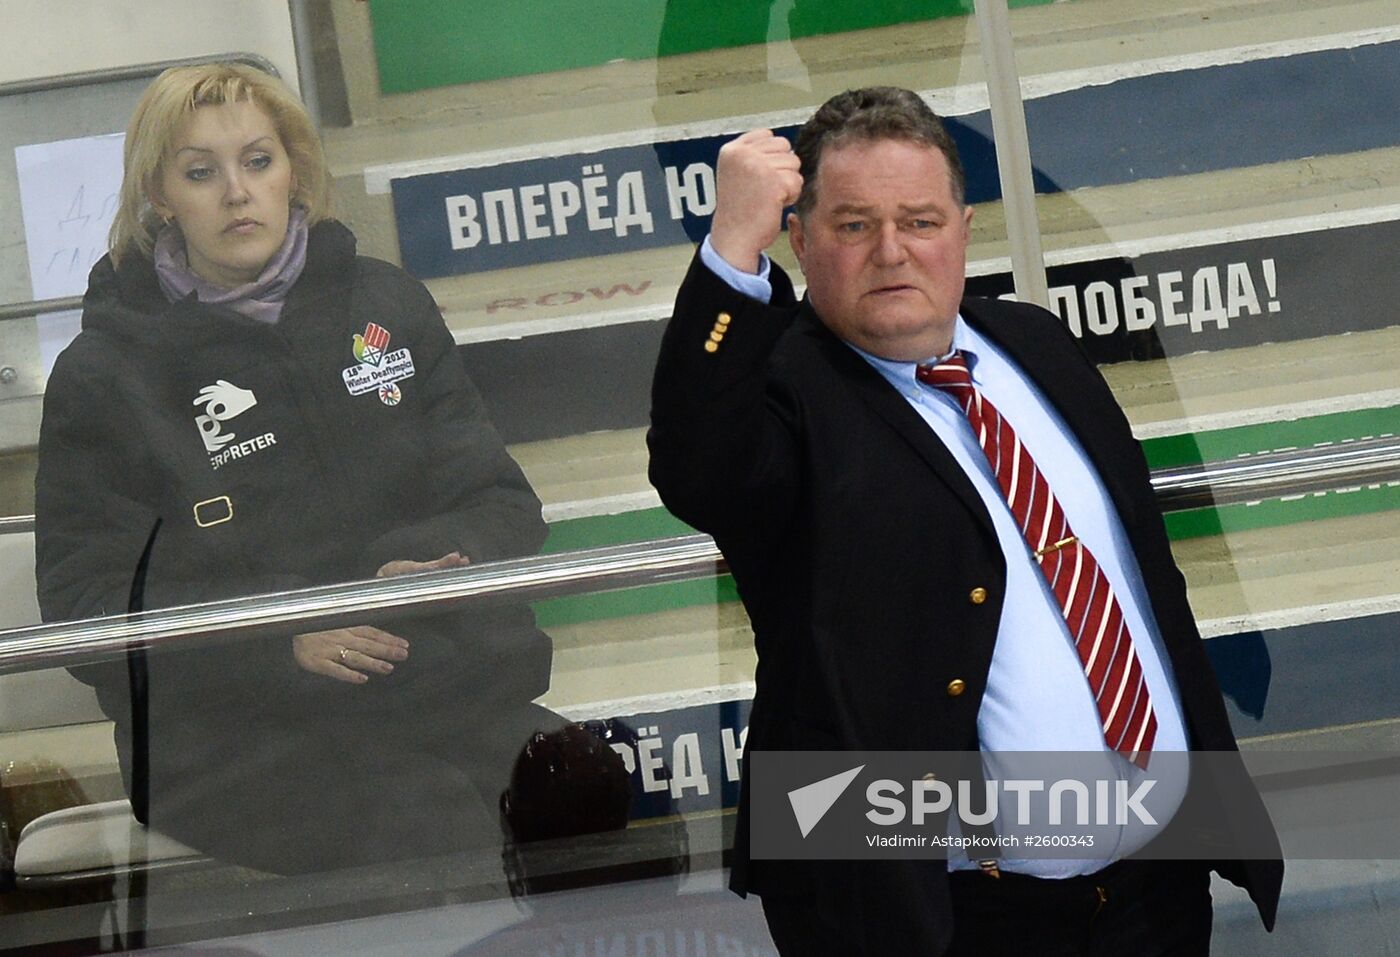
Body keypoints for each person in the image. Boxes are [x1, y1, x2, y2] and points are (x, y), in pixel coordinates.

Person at [647, 87, 1283, 955]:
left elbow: (1141, 580)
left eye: (919, 219)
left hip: (1155, 888)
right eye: (852, 226)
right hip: (945, 920)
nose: (892, 251)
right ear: (799, 240)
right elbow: (699, 468)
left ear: (964, 227)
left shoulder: (1038, 343)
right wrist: (730, 247)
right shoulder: (787, 397)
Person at [34, 63, 561, 875]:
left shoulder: (384, 304)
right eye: (200, 172)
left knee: (582, 783)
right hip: (227, 739)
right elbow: (86, 613)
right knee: (435, 827)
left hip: (420, 685)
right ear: (160, 196)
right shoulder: (105, 374)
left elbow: (501, 502)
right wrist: (279, 637)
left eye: (258, 161)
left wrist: (429, 562)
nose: (237, 193)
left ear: (296, 172)